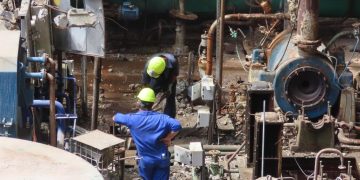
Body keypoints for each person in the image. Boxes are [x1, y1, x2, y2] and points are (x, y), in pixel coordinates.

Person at [113, 87, 182, 180]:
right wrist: (169, 137)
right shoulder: (162, 118)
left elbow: (115, 117)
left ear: (139, 103)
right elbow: (177, 125)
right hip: (161, 158)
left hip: (145, 160)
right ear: (152, 103)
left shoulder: (132, 119)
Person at [142, 53, 179, 118]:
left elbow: (173, 77)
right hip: (154, 77)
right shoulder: (149, 64)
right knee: (149, 94)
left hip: (168, 77)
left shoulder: (173, 62)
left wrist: (169, 87)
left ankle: (169, 118)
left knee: (170, 97)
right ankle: (144, 114)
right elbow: (145, 83)